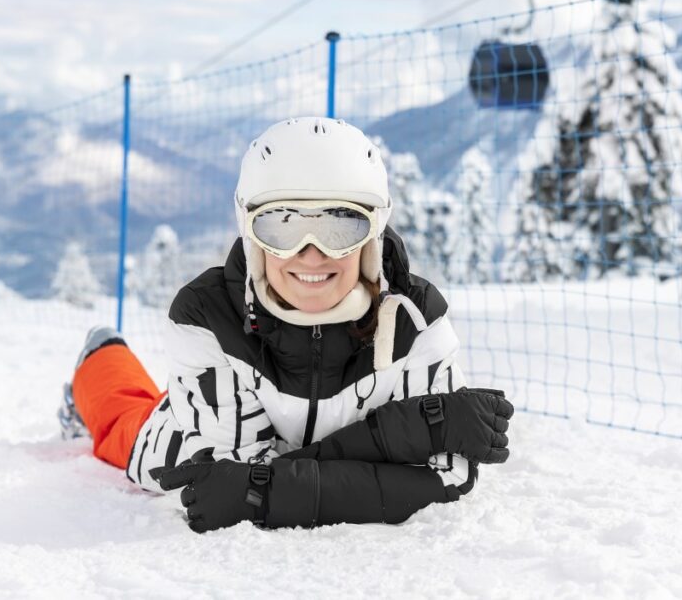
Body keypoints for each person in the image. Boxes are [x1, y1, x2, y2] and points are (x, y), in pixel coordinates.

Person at [59, 116, 514, 532]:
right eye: (281, 225)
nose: (312, 253)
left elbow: (446, 479)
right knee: (125, 422)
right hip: (189, 434)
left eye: (341, 225)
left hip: (231, 408)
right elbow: (221, 483)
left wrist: (261, 488)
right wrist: (412, 432)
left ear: (373, 236)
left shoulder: (416, 320)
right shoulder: (209, 318)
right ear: (250, 233)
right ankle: (100, 355)